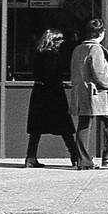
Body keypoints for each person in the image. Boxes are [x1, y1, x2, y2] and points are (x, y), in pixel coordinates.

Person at [25, 28, 83, 168]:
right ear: (53, 41)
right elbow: (53, 75)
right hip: (53, 94)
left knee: (36, 129)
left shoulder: (37, 54)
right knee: (65, 128)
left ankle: (30, 157)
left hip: (39, 93)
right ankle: (75, 157)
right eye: (60, 39)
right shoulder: (53, 56)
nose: (62, 42)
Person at [69, 17, 108, 170]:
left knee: (84, 124)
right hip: (97, 92)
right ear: (101, 33)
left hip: (81, 91)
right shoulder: (96, 49)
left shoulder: (78, 49)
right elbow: (99, 72)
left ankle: (83, 161)